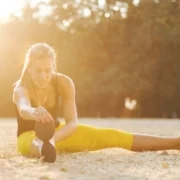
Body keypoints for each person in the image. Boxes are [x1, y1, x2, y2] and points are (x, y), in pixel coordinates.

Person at [13, 43, 180, 163]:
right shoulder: (21, 87)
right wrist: (34, 112)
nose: (43, 76)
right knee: (37, 142)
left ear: (53, 67)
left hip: (58, 133)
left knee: (113, 136)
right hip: (28, 137)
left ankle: (175, 142)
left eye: (47, 70)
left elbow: (72, 123)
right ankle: (43, 150)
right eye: (38, 70)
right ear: (29, 68)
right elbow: (23, 107)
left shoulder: (64, 83)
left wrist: (54, 139)